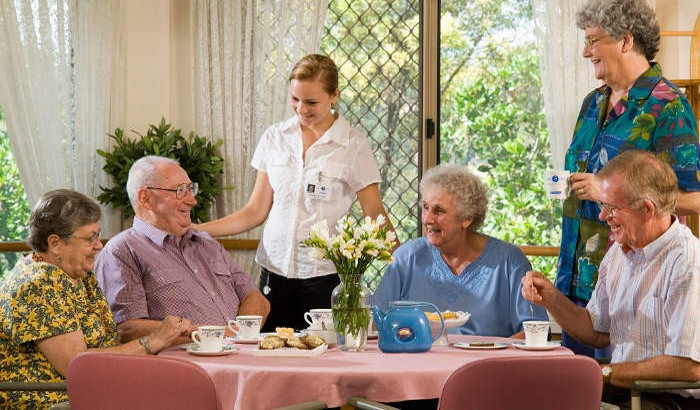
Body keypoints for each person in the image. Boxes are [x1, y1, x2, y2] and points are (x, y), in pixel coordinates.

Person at [196, 54, 397, 331]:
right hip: (274, 271)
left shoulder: (353, 145)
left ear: (334, 95)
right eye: (295, 99)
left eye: (311, 102)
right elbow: (255, 211)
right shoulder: (274, 137)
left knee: (321, 362)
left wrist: (405, 261)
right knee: (270, 355)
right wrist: (197, 230)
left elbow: (374, 214)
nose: (301, 109)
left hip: (325, 276)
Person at [556, 0, 700, 357]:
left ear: (625, 39)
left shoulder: (668, 105)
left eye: (592, 41)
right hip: (577, 281)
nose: (586, 52)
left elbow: (694, 198)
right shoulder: (593, 103)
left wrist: (608, 191)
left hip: (631, 292)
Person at [525, 150, 700, 409]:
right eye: (601, 205)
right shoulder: (618, 252)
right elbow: (597, 332)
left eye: (611, 207)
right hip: (622, 393)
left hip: (667, 401)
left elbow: (689, 367)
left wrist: (604, 373)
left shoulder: (687, 261)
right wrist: (551, 298)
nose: (602, 216)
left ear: (647, 209)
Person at [0, 189, 190, 408]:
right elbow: (77, 364)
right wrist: (153, 341)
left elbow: (107, 342)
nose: (99, 245)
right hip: (55, 399)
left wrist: (168, 337)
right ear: (55, 243)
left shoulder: (76, 274)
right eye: (90, 238)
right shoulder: (39, 284)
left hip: (92, 387)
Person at [94, 156, 269, 343]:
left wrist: (237, 335)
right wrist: (212, 337)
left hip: (239, 355)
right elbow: (127, 328)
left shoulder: (206, 243)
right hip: (183, 366)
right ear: (145, 198)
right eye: (180, 191)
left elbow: (256, 298)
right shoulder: (122, 251)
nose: (192, 201)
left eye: (190, 189)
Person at [371, 164, 547, 338]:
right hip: (418, 363)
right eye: (425, 207)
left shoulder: (510, 262)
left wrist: (491, 358)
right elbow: (375, 323)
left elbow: (534, 332)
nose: (427, 219)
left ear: (467, 218)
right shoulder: (407, 258)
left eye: (438, 210)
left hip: (488, 364)